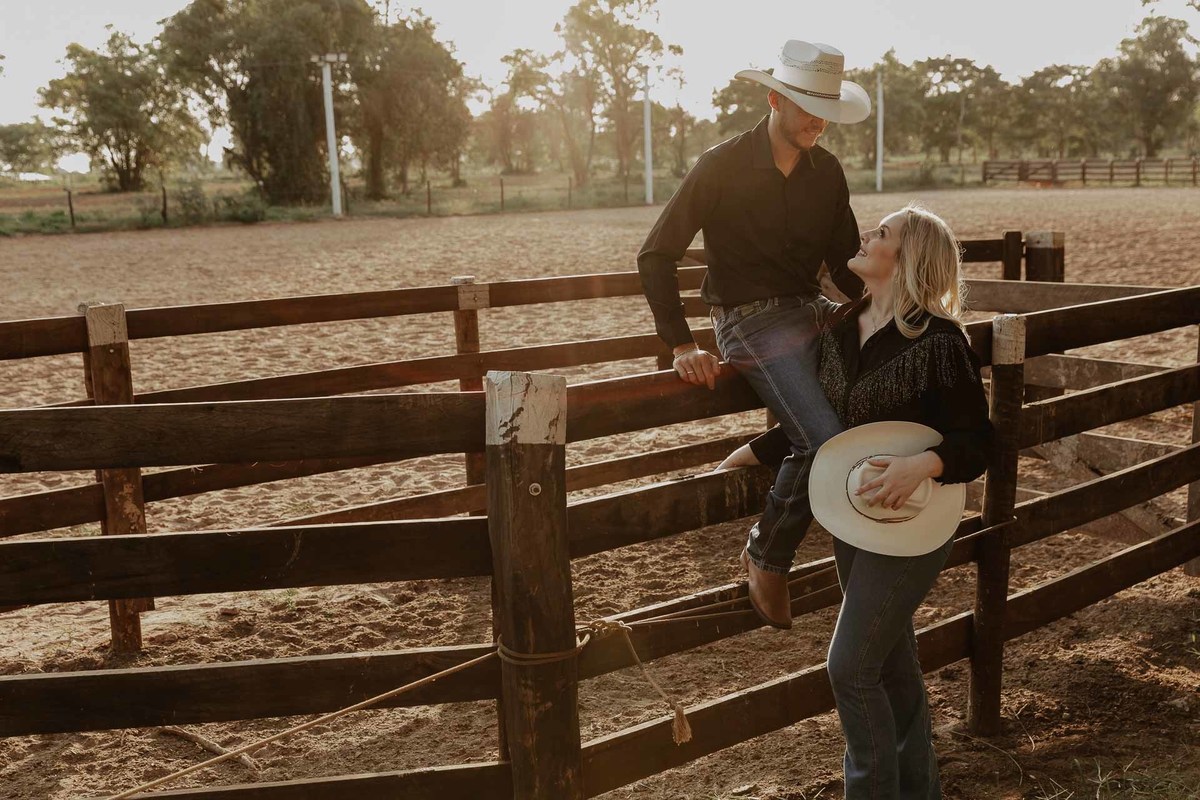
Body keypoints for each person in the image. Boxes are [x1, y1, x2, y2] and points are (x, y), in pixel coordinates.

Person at [721, 204, 993, 799]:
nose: (868, 237)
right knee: (892, 666)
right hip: (855, 516)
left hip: (915, 521)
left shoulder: (941, 340)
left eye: (883, 234)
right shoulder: (842, 326)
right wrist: (754, 451)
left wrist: (922, 463)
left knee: (850, 666)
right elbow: (823, 423)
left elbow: (980, 441)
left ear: (907, 257)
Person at [638, 40, 871, 629]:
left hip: (813, 310)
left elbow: (846, 264)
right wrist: (683, 344)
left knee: (876, 397)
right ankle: (767, 554)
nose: (817, 120)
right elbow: (656, 253)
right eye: (804, 106)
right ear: (774, 98)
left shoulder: (828, 171)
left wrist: (893, 309)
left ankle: (757, 453)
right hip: (750, 321)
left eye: (825, 108)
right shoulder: (721, 165)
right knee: (823, 444)